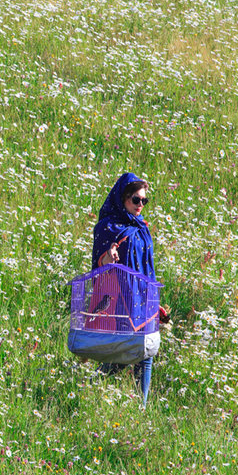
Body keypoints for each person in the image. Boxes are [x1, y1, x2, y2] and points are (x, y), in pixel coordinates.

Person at [90, 172, 169, 407]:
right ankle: (93, 382)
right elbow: (98, 264)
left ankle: (140, 408)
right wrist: (107, 257)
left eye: (144, 201)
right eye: (136, 200)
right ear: (122, 198)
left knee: (147, 354)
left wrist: (154, 302)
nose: (140, 205)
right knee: (128, 352)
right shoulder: (108, 226)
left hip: (143, 298)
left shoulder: (141, 227)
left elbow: (147, 268)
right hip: (121, 298)